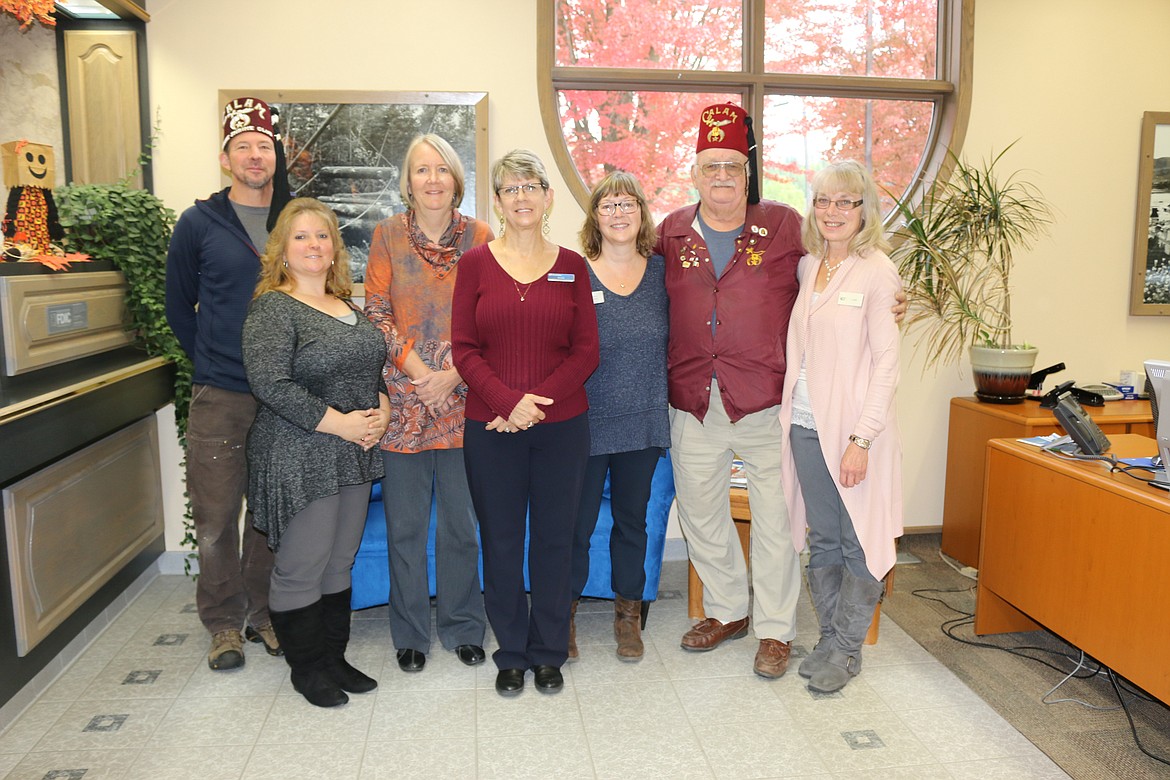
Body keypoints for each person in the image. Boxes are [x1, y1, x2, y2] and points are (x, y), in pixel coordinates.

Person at [656, 102, 906, 680]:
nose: (721, 177)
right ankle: (727, 611)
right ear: (695, 171)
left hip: (767, 400)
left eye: (731, 167)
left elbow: (844, 274)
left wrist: (895, 298)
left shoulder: (786, 225)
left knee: (775, 518)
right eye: (710, 165)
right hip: (693, 396)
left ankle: (774, 629)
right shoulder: (670, 230)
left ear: (748, 171)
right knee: (699, 511)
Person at [451, 149, 599, 696]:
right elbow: (464, 350)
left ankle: (548, 652)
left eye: (530, 186)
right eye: (510, 189)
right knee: (503, 540)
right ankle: (511, 651)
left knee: (556, 541)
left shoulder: (572, 265)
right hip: (490, 427)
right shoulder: (475, 266)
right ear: (497, 201)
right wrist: (505, 403)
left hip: (562, 427)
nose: (521, 197)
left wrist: (532, 405)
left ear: (547, 197)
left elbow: (586, 352)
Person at [242, 198, 390, 708]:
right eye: (301, 236)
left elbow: (374, 371)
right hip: (297, 453)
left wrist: (383, 412)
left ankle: (334, 658)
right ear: (282, 249)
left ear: (334, 249)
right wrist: (341, 423)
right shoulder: (274, 308)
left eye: (322, 236)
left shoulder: (350, 307)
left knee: (339, 563)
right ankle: (306, 669)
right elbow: (269, 383)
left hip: (351, 452)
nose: (313, 245)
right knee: (302, 565)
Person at [165, 96, 291, 671]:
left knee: (268, 513)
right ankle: (223, 625)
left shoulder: (293, 221)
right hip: (221, 395)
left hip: (283, 394)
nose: (254, 155)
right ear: (225, 158)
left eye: (263, 146)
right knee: (215, 518)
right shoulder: (198, 223)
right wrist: (213, 362)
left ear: (275, 154)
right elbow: (176, 303)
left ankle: (264, 614)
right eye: (243, 146)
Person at [364, 134, 491, 673]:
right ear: (408, 181)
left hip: (466, 394)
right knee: (406, 526)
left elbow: (495, 316)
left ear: (456, 178)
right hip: (405, 396)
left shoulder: (482, 238)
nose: (433, 179)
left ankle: (464, 626)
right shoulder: (387, 235)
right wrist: (421, 373)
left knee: (462, 524)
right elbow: (375, 311)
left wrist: (454, 373)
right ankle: (411, 634)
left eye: (442, 169)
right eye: (422, 170)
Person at [779, 160, 903, 694]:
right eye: (824, 200)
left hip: (853, 434)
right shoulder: (810, 266)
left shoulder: (878, 271)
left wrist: (862, 438)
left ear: (864, 211)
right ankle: (830, 640)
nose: (832, 211)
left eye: (845, 202)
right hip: (806, 424)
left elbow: (887, 364)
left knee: (859, 542)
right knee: (823, 538)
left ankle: (848, 650)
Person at [569, 171, 668, 662]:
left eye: (628, 203)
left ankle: (628, 619)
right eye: (607, 205)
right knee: (576, 525)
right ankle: (560, 616)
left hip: (644, 423)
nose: (619, 213)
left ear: (642, 213)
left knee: (632, 523)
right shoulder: (573, 273)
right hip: (583, 424)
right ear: (595, 217)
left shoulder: (664, 273)